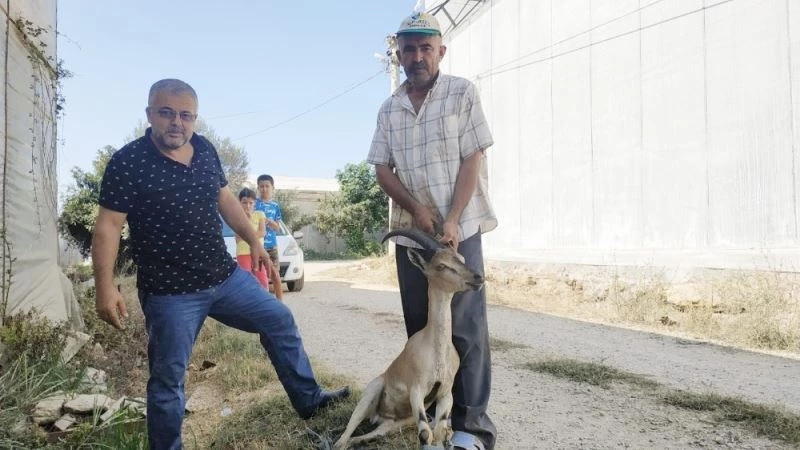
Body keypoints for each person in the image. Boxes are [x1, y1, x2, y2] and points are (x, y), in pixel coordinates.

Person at [91, 78, 349, 450]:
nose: (177, 122)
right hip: (170, 293)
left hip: (224, 277)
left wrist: (255, 242)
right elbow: (108, 226)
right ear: (149, 114)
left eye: (186, 115)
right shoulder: (128, 162)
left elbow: (225, 199)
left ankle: (310, 400)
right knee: (168, 381)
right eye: (166, 113)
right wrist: (104, 286)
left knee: (279, 319)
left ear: (195, 118)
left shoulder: (205, 149)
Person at [367, 12, 498, 450]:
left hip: (460, 230)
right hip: (413, 235)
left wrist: (453, 217)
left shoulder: (462, 92)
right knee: (423, 329)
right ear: (399, 55)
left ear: (441, 51)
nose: (417, 56)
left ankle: (470, 429)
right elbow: (382, 169)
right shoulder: (389, 109)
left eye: (426, 48)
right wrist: (417, 210)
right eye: (409, 49)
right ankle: (430, 424)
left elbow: (473, 157)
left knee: (466, 329)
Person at [255, 174, 284, 300]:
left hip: (272, 246)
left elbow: (278, 228)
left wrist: (270, 222)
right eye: (261, 186)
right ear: (258, 188)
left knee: (276, 276)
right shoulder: (254, 204)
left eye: (267, 186)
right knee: (260, 279)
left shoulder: (275, 206)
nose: (264, 189)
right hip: (258, 247)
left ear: (272, 187)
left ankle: (280, 304)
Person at [235, 187, 269, 289]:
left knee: (262, 280)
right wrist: (246, 218)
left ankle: (264, 298)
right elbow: (238, 237)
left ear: (255, 203)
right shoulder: (237, 216)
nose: (248, 205)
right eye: (244, 202)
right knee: (246, 280)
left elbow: (262, 232)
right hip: (243, 252)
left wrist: (247, 235)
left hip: (258, 252)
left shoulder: (259, 214)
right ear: (240, 202)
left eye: (251, 203)